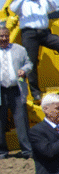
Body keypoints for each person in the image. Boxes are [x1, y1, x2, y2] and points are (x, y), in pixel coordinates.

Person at [9, 0, 59, 102]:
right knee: (31, 61)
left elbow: (54, 6)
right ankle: (35, 92)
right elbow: (13, 8)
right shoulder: (22, 3)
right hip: (29, 34)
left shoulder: (42, 1)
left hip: (44, 33)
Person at [0, 25, 33, 159]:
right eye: (1, 36)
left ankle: (27, 151)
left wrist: (24, 70)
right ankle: (1, 152)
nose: (4, 38)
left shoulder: (19, 49)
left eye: (6, 36)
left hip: (17, 90)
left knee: (21, 121)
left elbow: (29, 63)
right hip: (0, 90)